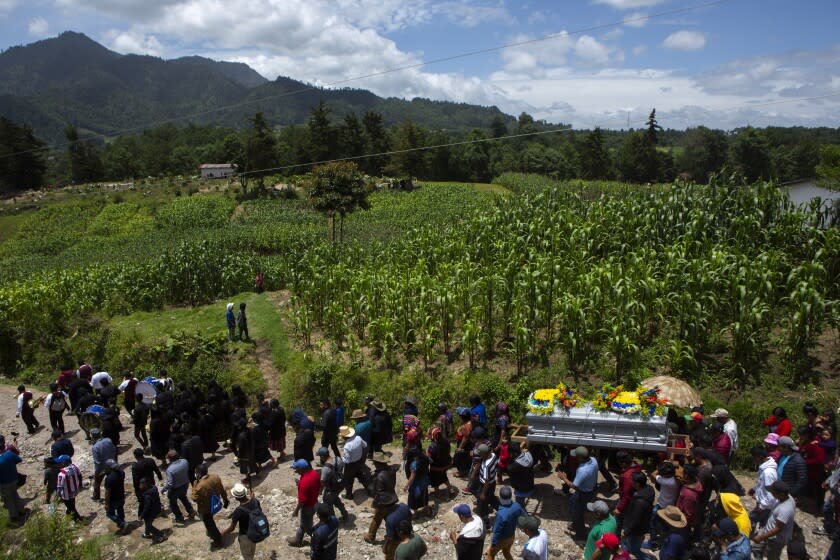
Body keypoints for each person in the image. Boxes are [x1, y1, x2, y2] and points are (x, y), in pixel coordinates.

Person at [558, 445, 598, 541]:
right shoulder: (593, 460)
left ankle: (581, 535)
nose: (574, 457)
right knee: (572, 504)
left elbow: (574, 486)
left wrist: (564, 478)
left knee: (577, 514)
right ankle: (575, 524)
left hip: (583, 493)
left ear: (580, 458)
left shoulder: (582, 470)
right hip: (591, 489)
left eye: (576, 456)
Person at [751, 480, 796, 560]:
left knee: (772, 557)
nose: (771, 493)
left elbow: (778, 529)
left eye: (773, 492)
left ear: (781, 494)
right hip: (768, 531)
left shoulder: (785, 509)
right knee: (756, 548)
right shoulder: (787, 497)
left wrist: (761, 537)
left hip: (776, 540)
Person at [191, 462, 229, 550]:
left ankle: (217, 540)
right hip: (216, 503)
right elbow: (222, 489)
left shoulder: (200, 485)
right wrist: (225, 499)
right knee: (210, 521)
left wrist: (194, 486)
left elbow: (194, 498)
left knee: (210, 524)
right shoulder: (216, 477)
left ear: (198, 474)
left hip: (206, 509)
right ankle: (211, 532)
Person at [366, 451, 399, 544]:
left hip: (384, 502)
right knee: (389, 518)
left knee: (377, 519)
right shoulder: (391, 470)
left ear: (377, 464)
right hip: (392, 497)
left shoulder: (379, 476)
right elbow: (397, 466)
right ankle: (397, 533)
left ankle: (370, 536)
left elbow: (378, 492)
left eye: (375, 463)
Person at [222, 483, 261, 560]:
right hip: (255, 533)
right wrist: (252, 498)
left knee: (247, 556)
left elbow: (232, 528)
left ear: (236, 498)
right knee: (251, 551)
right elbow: (258, 510)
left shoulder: (238, 511)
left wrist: (223, 533)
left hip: (245, 537)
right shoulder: (255, 501)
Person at [621, 472, 654, 560]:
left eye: (632, 481)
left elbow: (635, 520)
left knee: (634, 549)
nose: (631, 483)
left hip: (636, 530)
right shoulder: (650, 490)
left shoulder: (639, 502)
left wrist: (626, 531)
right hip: (643, 526)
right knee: (635, 545)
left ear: (638, 484)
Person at [288, 458, 320, 546]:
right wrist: (300, 483)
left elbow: (302, 501)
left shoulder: (304, 483)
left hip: (307, 508)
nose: (295, 471)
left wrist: (296, 511)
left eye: (296, 469)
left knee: (308, 528)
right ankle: (298, 540)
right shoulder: (315, 473)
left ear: (302, 469)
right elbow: (315, 486)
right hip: (315, 503)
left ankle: (318, 540)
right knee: (304, 524)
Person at [486, 486, 523, 560]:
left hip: (502, 539)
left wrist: (493, 545)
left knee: (490, 553)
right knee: (506, 552)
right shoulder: (517, 506)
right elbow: (524, 517)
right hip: (512, 536)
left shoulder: (501, 514)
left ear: (500, 497)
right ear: (510, 495)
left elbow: (497, 531)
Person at [748, 445, 778, 529]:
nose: (753, 460)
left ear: (760, 457)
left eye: (754, 458)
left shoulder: (768, 472)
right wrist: (754, 489)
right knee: (763, 522)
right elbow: (762, 483)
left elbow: (771, 492)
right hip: (763, 502)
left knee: (752, 519)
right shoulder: (764, 467)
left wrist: (762, 506)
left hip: (766, 505)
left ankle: (748, 537)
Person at [317, 447, 349, 523]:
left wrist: (320, 491)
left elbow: (322, 482)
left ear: (322, 456)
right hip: (340, 485)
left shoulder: (325, 468)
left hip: (331, 488)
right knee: (335, 498)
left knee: (328, 504)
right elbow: (341, 469)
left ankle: (333, 521)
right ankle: (345, 514)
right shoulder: (338, 459)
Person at [162, 450, 196, 523]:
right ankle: (191, 511)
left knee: (173, 504)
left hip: (175, 489)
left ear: (170, 459)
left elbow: (170, 483)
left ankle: (179, 518)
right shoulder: (185, 461)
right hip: (185, 485)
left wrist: (164, 489)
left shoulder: (170, 470)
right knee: (183, 497)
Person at [340, 424, 368, 500]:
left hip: (350, 466)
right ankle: (369, 489)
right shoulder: (358, 438)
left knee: (348, 480)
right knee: (360, 475)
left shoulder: (347, 446)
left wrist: (341, 458)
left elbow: (347, 460)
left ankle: (349, 495)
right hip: (358, 462)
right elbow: (365, 445)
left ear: (343, 437)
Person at [138, 477, 167, 544]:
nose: (140, 485)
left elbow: (146, 508)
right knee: (147, 523)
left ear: (145, 485)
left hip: (150, 513)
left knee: (149, 525)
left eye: (141, 484)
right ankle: (147, 534)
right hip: (156, 509)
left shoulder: (147, 496)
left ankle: (161, 535)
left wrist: (141, 516)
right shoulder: (153, 488)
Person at [91, 428, 117, 501]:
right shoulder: (108, 440)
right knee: (112, 480)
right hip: (111, 464)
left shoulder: (95, 447)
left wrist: (97, 472)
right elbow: (114, 450)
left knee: (97, 482)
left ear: (92, 437)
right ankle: (114, 494)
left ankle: (96, 497)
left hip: (102, 467)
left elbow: (97, 462)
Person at [506, 441, 534, 506]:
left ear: (512, 453)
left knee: (519, 506)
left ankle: (525, 516)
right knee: (521, 502)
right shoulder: (528, 454)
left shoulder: (515, 465)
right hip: (529, 486)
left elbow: (508, 469)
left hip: (521, 490)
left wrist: (510, 458)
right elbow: (523, 451)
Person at [103, 459, 127, 534]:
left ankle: (122, 524)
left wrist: (106, 503)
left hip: (113, 499)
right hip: (121, 496)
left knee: (109, 514)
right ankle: (122, 522)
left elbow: (108, 492)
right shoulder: (122, 473)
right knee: (120, 509)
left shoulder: (109, 479)